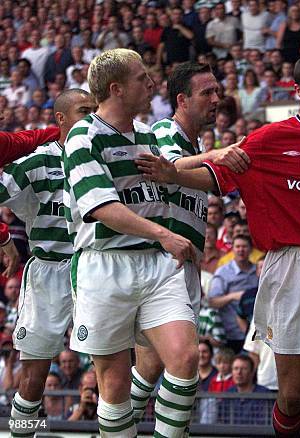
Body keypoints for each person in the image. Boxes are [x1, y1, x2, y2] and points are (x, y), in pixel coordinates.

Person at [136, 52, 300, 438]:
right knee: (291, 396)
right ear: (299, 91)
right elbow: (216, 178)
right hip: (287, 266)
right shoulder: (267, 140)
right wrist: (172, 173)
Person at [63, 48, 206, 437]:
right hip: (104, 264)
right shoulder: (84, 136)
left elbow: (180, 174)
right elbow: (103, 207)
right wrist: (165, 233)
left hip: (157, 265)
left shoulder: (149, 135)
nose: (152, 84)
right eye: (142, 78)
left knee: (185, 357)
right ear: (117, 89)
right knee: (114, 386)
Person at [130, 61, 249, 423]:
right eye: (207, 93)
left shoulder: (196, 143)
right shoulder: (166, 128)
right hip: (165, 264)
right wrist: (213, 155)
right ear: (182, 100)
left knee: (149, 368)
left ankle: (121, 428)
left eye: (218, 91)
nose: (217, 98)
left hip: (184, 265)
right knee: (184, 362)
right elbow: (170, 163)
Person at [1, 89, 96, 438]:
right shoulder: (39, 161)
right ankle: (24, 433)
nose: (91, 117)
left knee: (111, 366)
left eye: (94, 110)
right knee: (34, 376)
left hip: (94, 267)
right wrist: (3, 236)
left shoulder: (104, 157)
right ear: (60, 119)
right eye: (83, 111)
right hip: (48, 270)